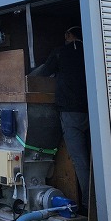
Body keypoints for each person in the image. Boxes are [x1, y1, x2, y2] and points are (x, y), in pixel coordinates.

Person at [31, 26, 90, 210]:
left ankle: (89, 205)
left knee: (80, 160)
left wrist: (27, 76)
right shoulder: (91, 50)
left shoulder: (60, 52)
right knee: (96, 156)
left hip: (70, 113)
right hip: (93, 111)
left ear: (69, 35)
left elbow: (43, 73)